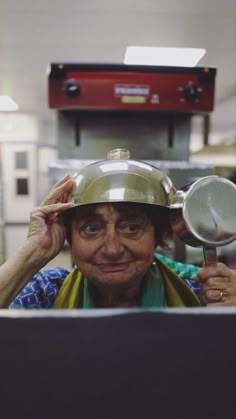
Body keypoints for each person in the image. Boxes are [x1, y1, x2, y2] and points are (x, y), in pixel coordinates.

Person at [0, 149, 235, 309]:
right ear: (69, 236)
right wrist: (32, 253)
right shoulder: (46, 292)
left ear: (160, 235)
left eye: (131, 227)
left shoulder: (197, 288)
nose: (112, 249)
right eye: (91, 228)